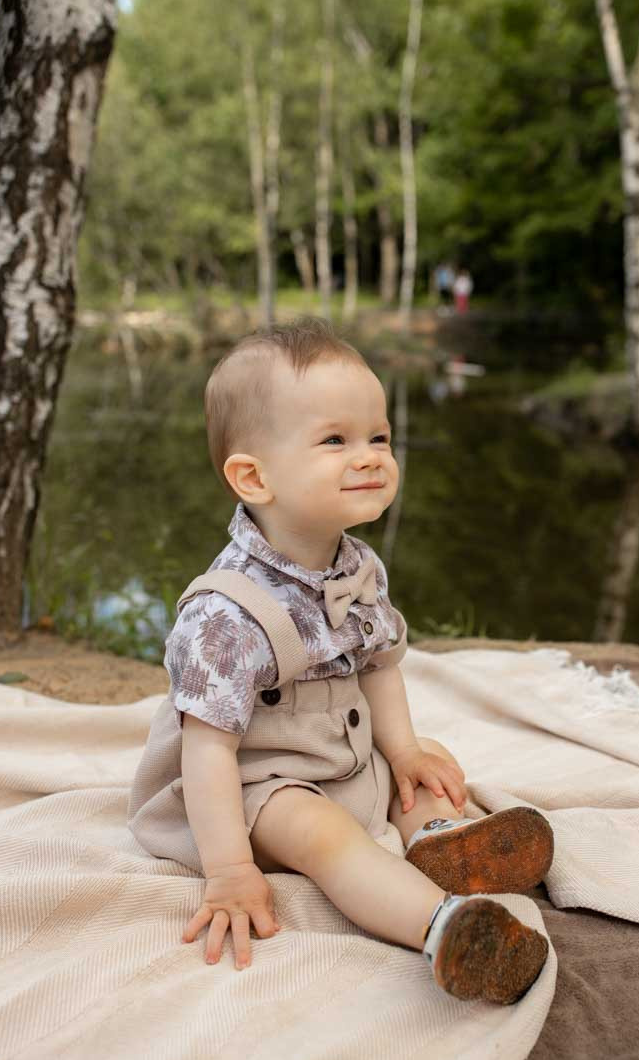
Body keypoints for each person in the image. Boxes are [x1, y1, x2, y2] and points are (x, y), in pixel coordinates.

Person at [127, 316, 553, 1004]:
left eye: (378, 437)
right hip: (257, 789)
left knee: (426, 766)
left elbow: (379, 667)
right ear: (253, 477)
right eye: (335, 440)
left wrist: (406, 753)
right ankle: (446, 928)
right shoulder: (224, 615)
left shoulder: (358, 567)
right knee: (323, 833)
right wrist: (230, 869)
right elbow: (205, 754)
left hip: (342, 754)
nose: (371, 456)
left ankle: (445, 842)